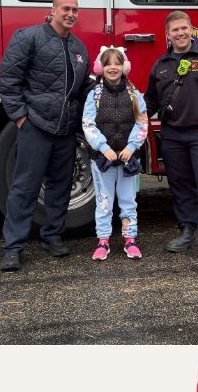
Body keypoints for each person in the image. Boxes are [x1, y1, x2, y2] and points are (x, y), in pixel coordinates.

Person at [0, 0, 91, 271]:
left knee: (60, 187)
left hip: (65, 130)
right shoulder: (29, 37)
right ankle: (13, 247)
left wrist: (107, 89)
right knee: (24, 188)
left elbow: (82, 86)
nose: (71, 14)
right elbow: (8, 78)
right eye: (66, 8)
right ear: (53, 10)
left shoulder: (79, 48)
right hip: (35, 126)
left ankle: (52, 236)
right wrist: (20, 118)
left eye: (75, 9)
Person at [144, 11, 198, 263]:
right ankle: (186, 230)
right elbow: (150, 101)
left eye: (184, 28)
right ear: (168, 35)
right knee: (180, 186)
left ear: (191, 30)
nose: (180, 33)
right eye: (175, 30)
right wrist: (134, 121)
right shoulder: (160, 65)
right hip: (171, 135)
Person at [82, 46, 149, 260]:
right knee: (104, 201)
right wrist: (103, 147)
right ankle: (103, 241)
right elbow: (88, 124)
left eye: (117, 63)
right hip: (103, 159)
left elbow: (142, 122)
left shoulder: (134, 94)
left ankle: (130, 240)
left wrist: (131, 147)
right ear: (102, 67)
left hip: (128, 159)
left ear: (124, 67)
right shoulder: (94, 95)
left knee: (128, 200)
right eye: (108, 63)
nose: (113, 67)